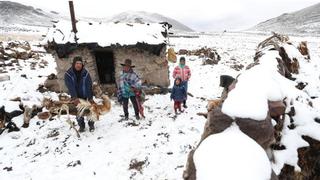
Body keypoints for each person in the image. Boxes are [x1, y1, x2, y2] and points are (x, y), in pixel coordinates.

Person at [64, 56, 94, 132]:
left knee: (90, 111)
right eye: (77, 63)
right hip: (76, 97)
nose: (79, 65)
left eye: (80, 63)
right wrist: (74, 98)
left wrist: (90, 98)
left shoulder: (85, 73)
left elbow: (89, 85)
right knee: (78, 112)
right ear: (74, 64)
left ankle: (91, 124)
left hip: (85, 96)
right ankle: (82, 126)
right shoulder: (68, 74)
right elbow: (70, 87)